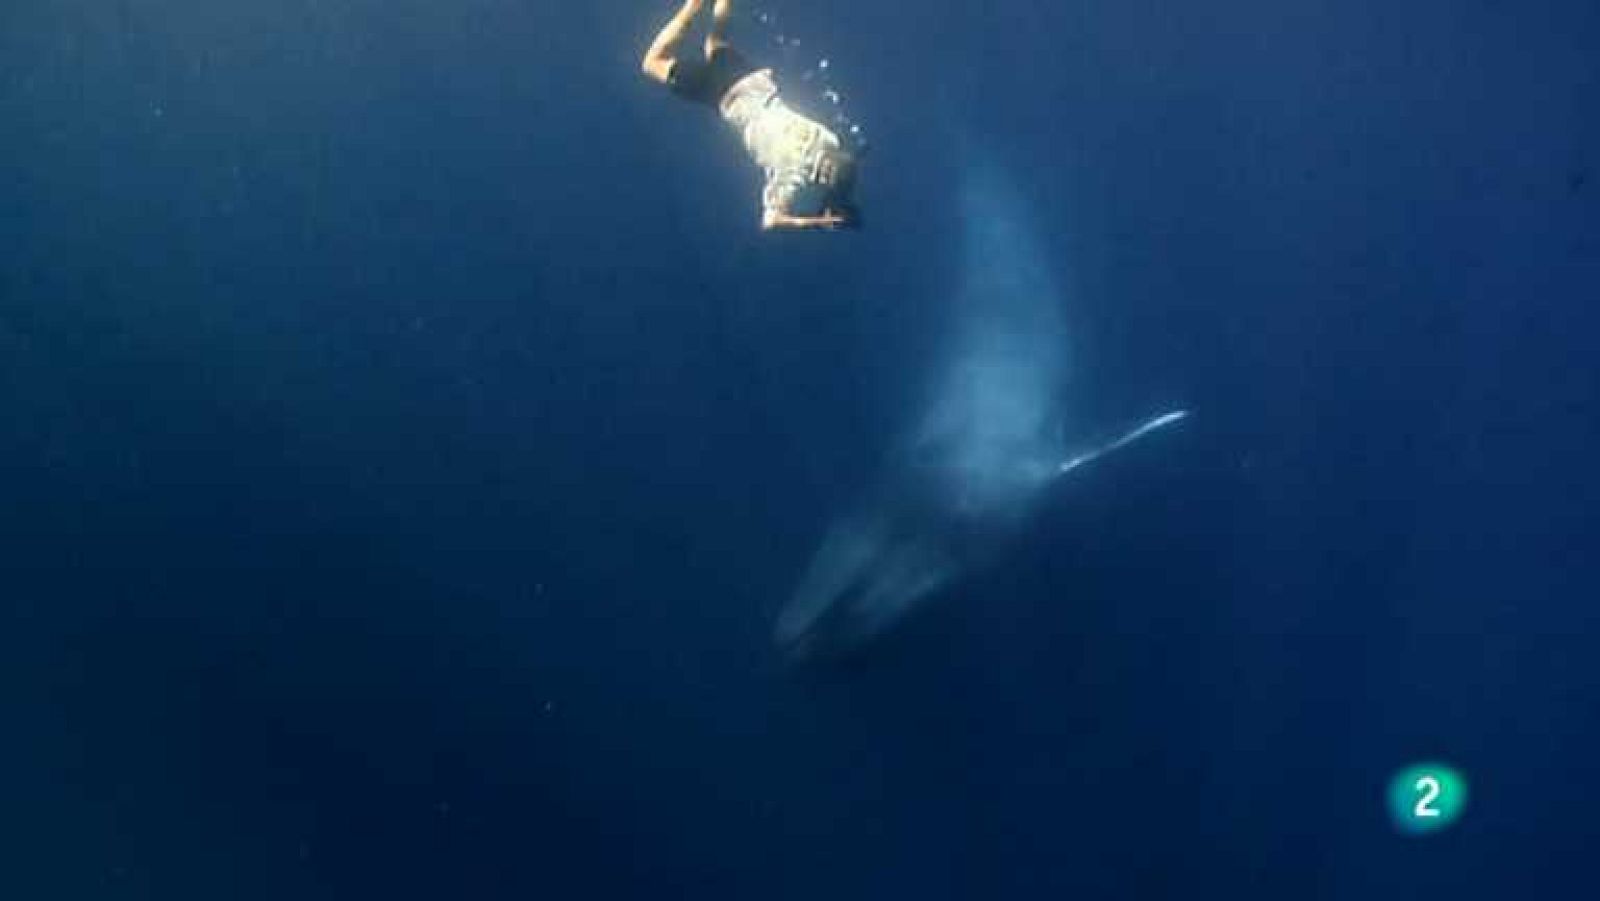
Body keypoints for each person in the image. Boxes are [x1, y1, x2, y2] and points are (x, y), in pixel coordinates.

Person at [641, 0, 861, 231]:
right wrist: (813, 222)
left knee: (716, 42)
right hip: (726, 94)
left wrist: (837, 203)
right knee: (653, 63)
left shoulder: (829, 140)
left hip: (757, 83)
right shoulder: (793, 174)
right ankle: (693, 4)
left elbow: (846, 169)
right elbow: (771, 222)